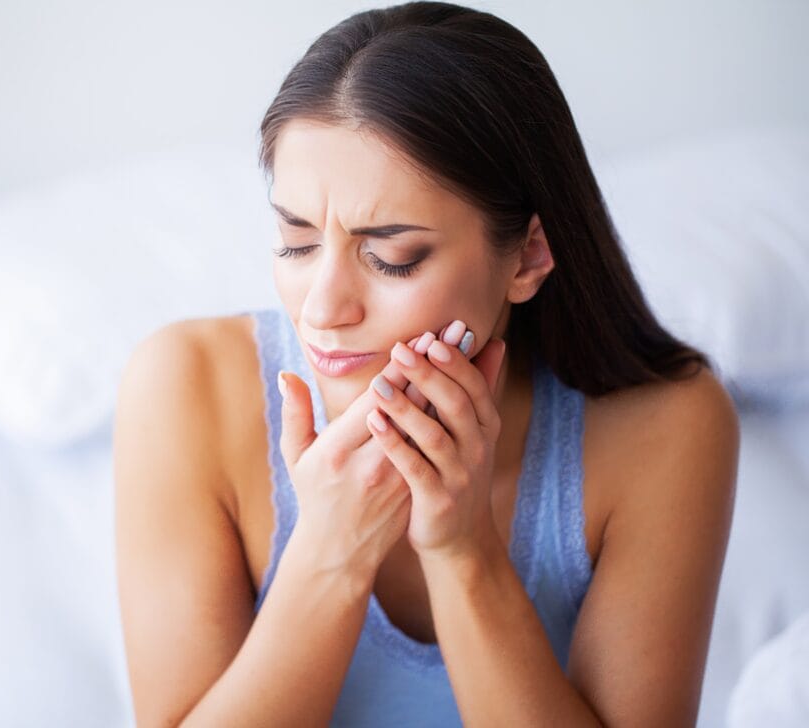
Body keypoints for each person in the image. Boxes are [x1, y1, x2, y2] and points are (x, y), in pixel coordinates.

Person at [113, 2, 740, 725]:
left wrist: (463, 551)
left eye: (392, 257)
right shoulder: (183, 386)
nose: (323, 308)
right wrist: (330, 552)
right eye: (296, 243)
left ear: (529, 254)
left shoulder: (666, 425)